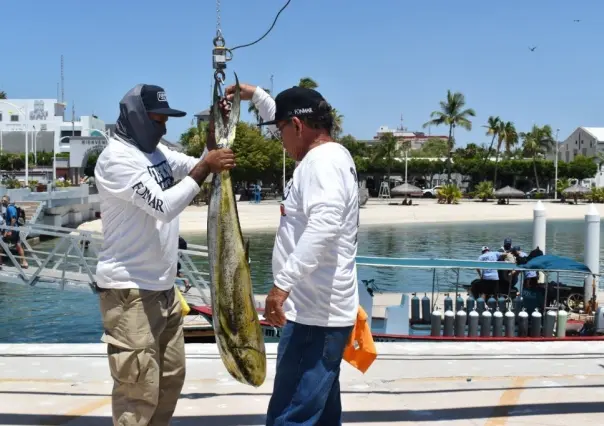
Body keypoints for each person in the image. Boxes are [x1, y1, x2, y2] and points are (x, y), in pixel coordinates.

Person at [93, 83, 235, 426]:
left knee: (170, 378)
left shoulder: (155, 152)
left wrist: (214, 139)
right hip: (130, 292)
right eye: (159, 120)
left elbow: (194, 164)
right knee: (138, 392)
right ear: (138, 118)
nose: (164, 127)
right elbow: (164, 206)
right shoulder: (117, 160)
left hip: (164, 289)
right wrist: (206, 167)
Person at [226, 83, 359, 425]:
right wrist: (254, 95)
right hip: (325, 314)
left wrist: (280, 287)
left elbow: (324, 227)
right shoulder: (333, 154)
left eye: (281, 132)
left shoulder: (320, 164)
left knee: (290, 416)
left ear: (298, 127)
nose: (279, 141)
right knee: (321, 414)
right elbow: (283, 117)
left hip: (312, 317)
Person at [1, 195, 28, 269]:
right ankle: (24, 262)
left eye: (4, 200)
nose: (3, 202)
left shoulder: (10, 208)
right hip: (15, 230)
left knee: (1, 243)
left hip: (12, 230)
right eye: (2, 200)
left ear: (8, 201)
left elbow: (13, 219)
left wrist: (9, 230)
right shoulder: (11, 207)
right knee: (18, 245)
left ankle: (0, 262)